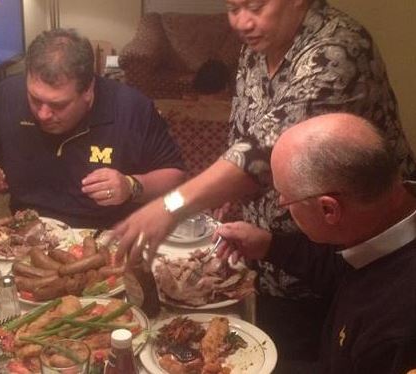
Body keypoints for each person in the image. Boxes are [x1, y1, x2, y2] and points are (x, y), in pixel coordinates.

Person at [112, 0, 416, 362]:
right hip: (293, 251)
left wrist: (170, 205)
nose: (242, 21)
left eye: (255, 6)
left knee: (333, 346)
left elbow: (257, 153)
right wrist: (238, 199)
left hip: (348, 248)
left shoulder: (337, 51)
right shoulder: (262, 43)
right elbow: (245, 132)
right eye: (232, 7)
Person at [215, 112, 416, 373]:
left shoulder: (396, 328)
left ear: (329, 210)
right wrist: (269, 245)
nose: (279, 204)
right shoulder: (381, 222)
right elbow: (339, 269)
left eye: (284, 197)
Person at [0, 29, 186, 228]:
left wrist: (132, 185)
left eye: (58, 105)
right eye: (34, 99)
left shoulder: (131, 107)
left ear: (89, 91)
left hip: (106, 233)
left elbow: (176, 178)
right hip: (26, 230)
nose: (43, 114)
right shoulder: (6, 95)